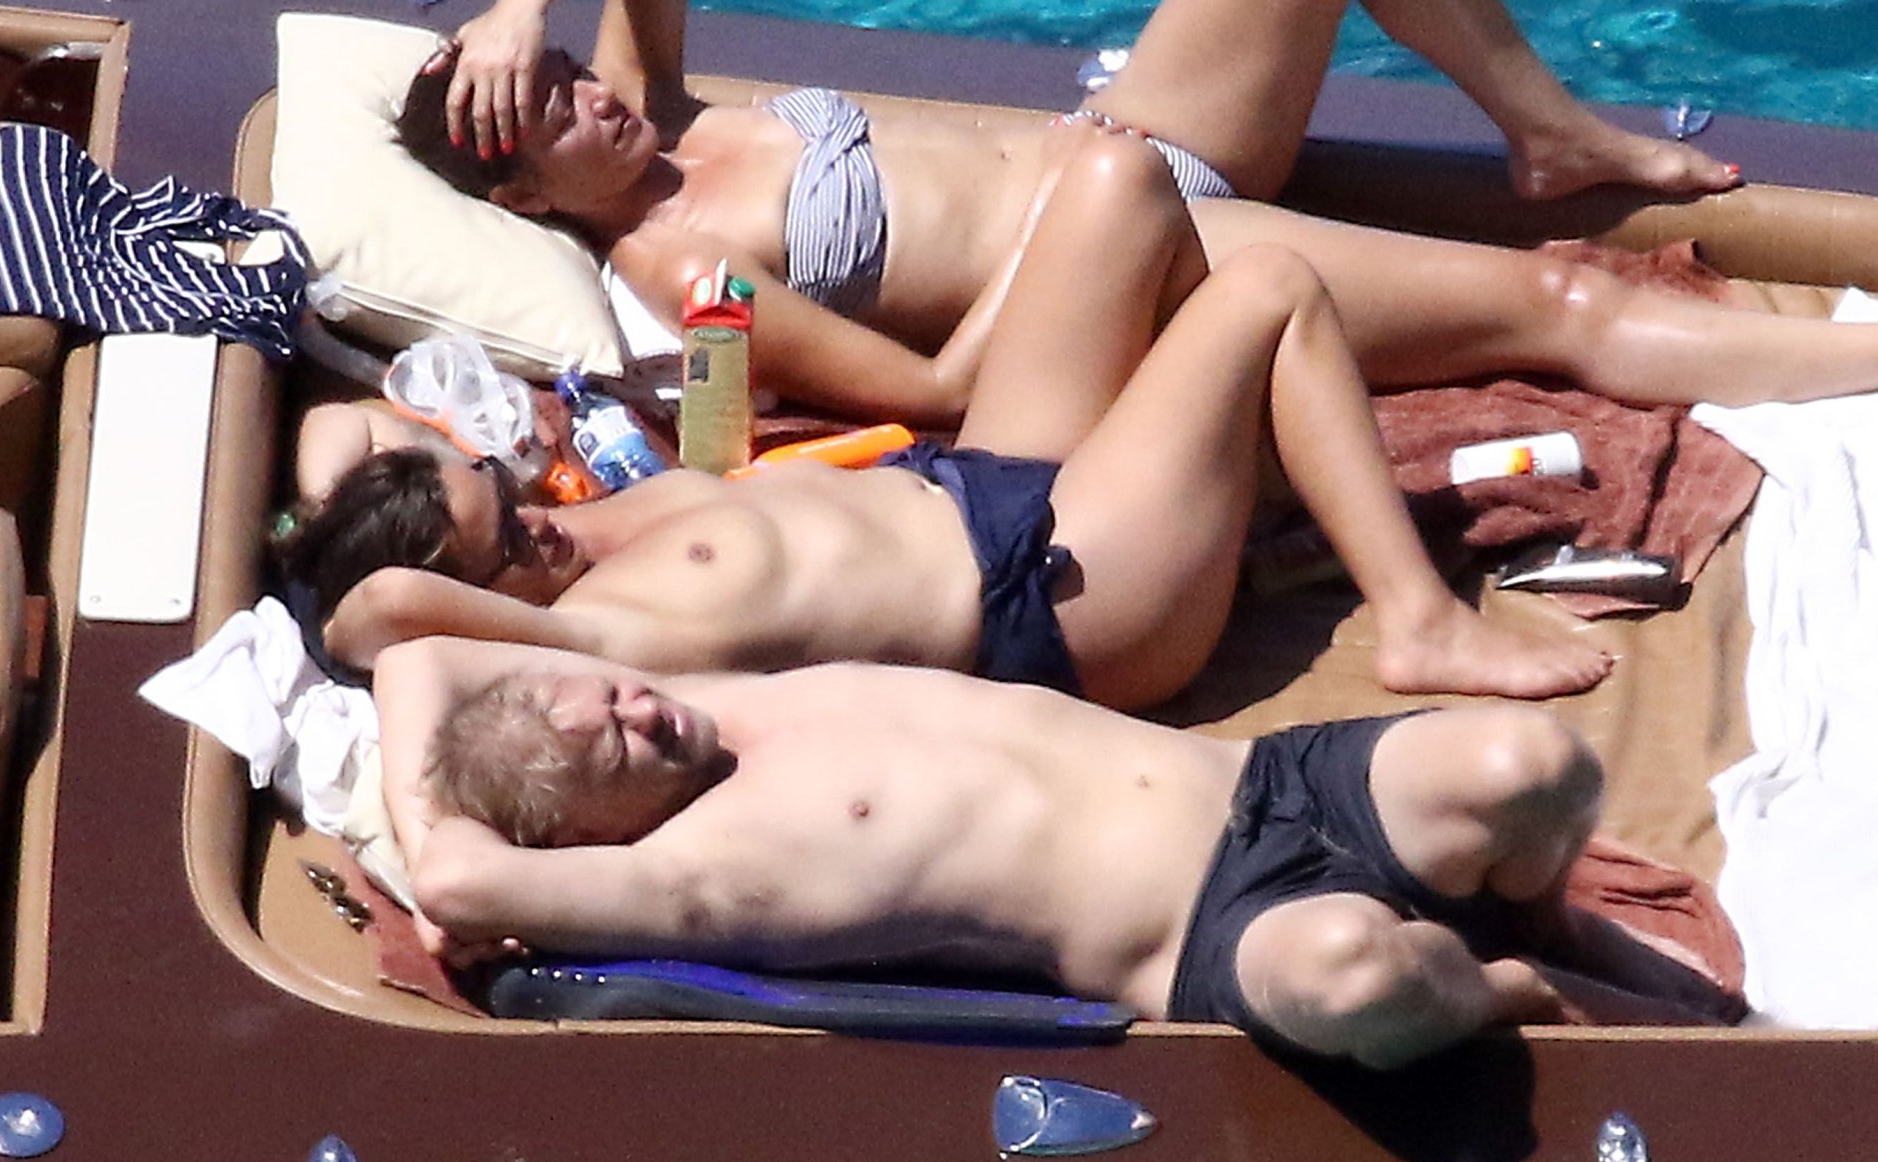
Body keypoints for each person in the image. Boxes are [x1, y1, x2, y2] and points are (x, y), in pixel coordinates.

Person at [284, 135, 1615, 711]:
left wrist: (350, 509)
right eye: (508, 547)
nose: (540, 528)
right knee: (1269, 290)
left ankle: (1239, 465)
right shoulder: (587, 632)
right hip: (1063, 596)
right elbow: (365, 616)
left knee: (1117, 180)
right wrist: (363, 572)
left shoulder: (578, 528)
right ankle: (1420, 624)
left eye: (511, 502)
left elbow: (351, 426)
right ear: (467, 602)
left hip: (974, 476)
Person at [374, 635, 1746, 1069]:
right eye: (615, 747)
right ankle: (1510, 987)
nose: (637, 707)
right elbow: (454, 880)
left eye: (608, 692)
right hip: (1210, 935)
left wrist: (450, 780)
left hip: (1272, 782)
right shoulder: (686, 875)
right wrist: (449, 873)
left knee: (1533, 762)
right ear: (594, 837)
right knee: (1353, 976)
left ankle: (1541, 918)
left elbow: (416, 655)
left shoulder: (719, 708)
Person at [393, 0, 1742, 428]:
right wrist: (1074, 238)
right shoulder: (685, 274)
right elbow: (930, 392)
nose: (590, 97)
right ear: (524, 197)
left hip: (1141, 138)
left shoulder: (650, 106)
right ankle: (1840, 365)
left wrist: (519, 12)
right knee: (1566, 303)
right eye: (553, 113)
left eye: (565, 71)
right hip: (1136, 252)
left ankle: (1551, 136)